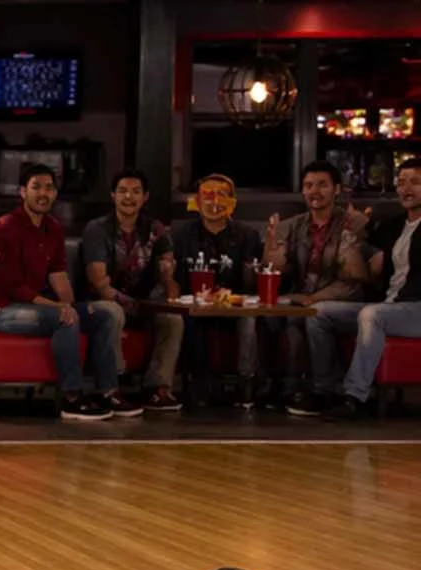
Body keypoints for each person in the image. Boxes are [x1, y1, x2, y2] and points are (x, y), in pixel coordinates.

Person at [0, 163, 133, 421]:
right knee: (64, 319)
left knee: (105, 316)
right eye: (36, 187)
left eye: (49, 188)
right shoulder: (4, 227)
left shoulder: (53, 227)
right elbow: (12, 287)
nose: (43, 193)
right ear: (22, 192)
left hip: (38, 306)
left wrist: (69, 304)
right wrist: (60, 309)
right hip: (3, 310)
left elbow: (58, 274)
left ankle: (108, 391)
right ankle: (71, 397)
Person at [318, 157, 421, 420]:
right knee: (319, 313)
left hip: (415, 308)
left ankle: (355, 396)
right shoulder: (393, 226)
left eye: (415, 182)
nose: (406, 188)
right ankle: (326, 389)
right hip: (391, 305)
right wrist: (354, 234)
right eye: (401, 182)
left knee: (372, 315)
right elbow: (369, 268)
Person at [80, 169, 182, 411]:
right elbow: (99, 284)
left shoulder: (156, 230)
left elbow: (171, 290)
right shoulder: (97, 229)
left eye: (136, 192)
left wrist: (168, 277)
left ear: (145, 197)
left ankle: (157, 389)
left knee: (172, 318)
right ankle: (111, 388)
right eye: (123, 191)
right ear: (113, 195)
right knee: (113, 311)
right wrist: (134, 307)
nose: (129, 197)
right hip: (99, 303)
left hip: (141, 303)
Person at [267, 161, 364, 416]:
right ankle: (280, 388)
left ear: (336, 189)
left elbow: (353, 280)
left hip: (342, 300)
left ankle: (323, 391)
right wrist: (272, 249)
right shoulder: (293, 225)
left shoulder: (353, 222)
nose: (315, 191)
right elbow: (281, 268)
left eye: (322, 185)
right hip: (303, 298)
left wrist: (310, 298)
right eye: (309, 185)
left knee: (312, 316)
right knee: (272, 315)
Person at [167, 174, 266, 404]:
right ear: (197, 202)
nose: (214, 203)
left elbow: (251, 286)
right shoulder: (180, 235)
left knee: (249, 317)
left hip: (234, 305)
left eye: (221, 196)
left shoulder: (248, 235)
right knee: (189, 317)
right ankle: (198, 383)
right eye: (207, 196)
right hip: (195, 304)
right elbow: (177, 280)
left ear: (232, 202)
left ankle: (246, 382)